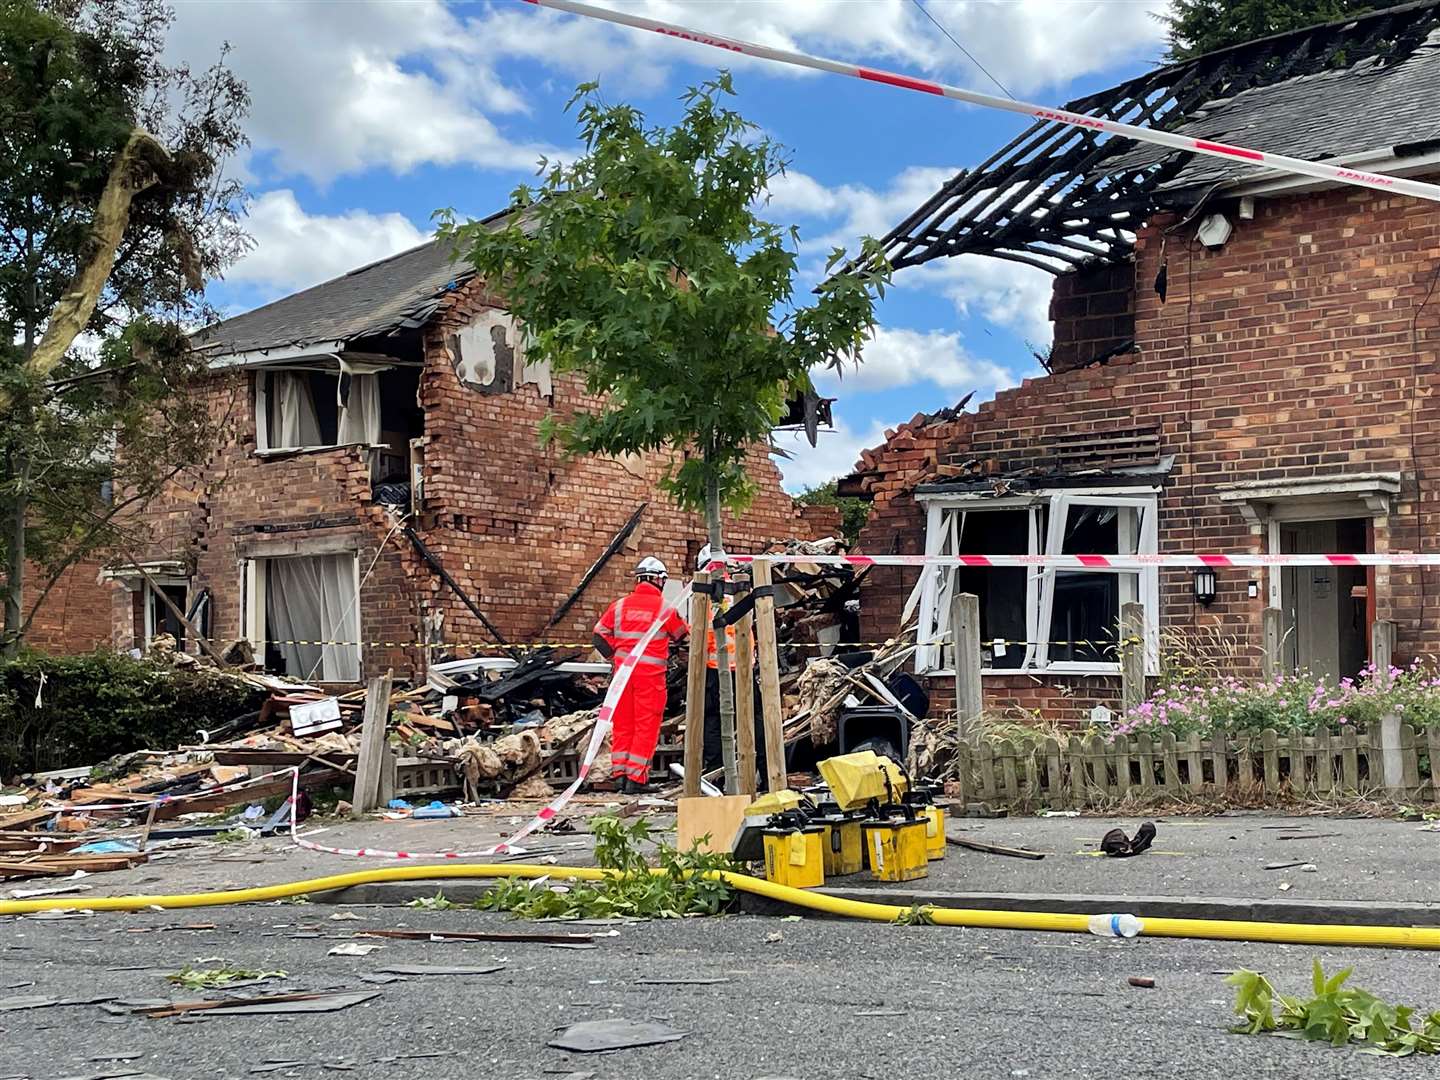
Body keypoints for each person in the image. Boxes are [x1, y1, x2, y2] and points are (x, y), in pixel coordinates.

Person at [592, 556, 688, 793]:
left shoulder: (620, 606)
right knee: (645, 726)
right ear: (658, 580)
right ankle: (637, 779)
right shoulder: (664, 608)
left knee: (623, 724)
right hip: (649, 677)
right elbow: (682, 636)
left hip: (622, 677)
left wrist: (616, 655)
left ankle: (622, 776)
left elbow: (599, 636)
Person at [697, 544, 767, 788]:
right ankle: (767, 776)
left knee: (713, 723)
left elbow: (698, 634)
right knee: (755, 722)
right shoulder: (739, 591)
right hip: (744, 668)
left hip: (715, 669)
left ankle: (718, 778)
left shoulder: (703, 595)